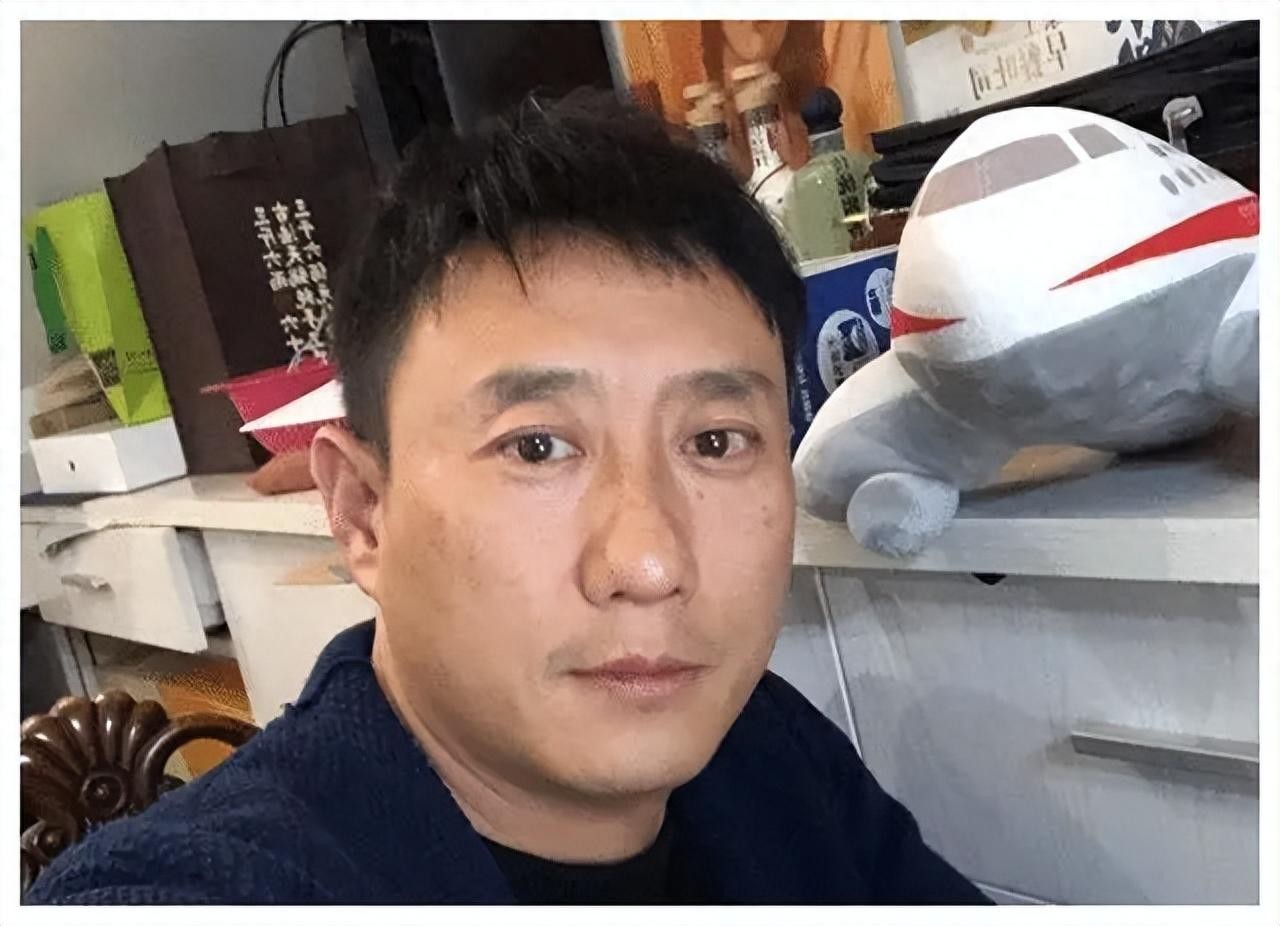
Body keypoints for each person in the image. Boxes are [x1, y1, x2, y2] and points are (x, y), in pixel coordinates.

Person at [26, 91, 989, 905]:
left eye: (714, 441)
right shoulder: (216, 888)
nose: (651, 563)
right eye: (537, 447)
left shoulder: (766, 756)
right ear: (363, 512)